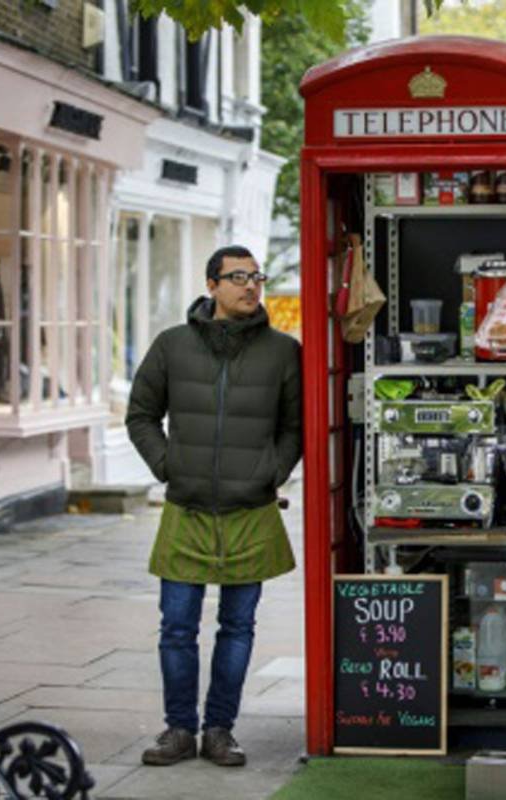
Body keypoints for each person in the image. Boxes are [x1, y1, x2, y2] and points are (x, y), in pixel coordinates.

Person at [126, 245, 302, 768]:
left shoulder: (282, 351)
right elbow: (140, 414)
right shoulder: (171, 346)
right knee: (177, 628)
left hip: (251, 510)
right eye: (238, 277)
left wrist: (272, 472)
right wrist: (168, 465)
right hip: (187, 507)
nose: (251, 286)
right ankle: (179, 730)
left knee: (238, 628)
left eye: (257, 277)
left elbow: (294, 427)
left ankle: (219, 730)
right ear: (212, 285)